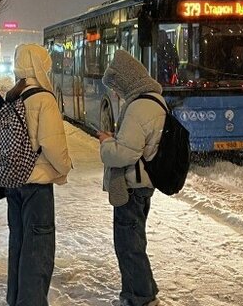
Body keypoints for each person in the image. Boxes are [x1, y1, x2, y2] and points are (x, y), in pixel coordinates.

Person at [4, 44, 72, 306]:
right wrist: (65, 167)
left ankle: (16, 297)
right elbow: (53, 145)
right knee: (38, 249)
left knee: (19, 243)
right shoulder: (43, 99)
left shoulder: (12, 96)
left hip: (13, 182)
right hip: (36, 184)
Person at [97, 50, 165, 306]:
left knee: (128, 245)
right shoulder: (153, 100)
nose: (116, 93)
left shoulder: (139, 107)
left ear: (126, 80)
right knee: (134, 240)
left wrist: (106, 143)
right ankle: (143, 288)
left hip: (133, 186)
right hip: (142, 183)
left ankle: (139, 296)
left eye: (117, 87)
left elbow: (124, 153)